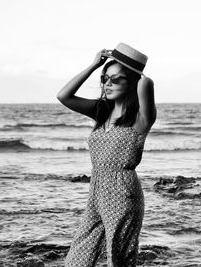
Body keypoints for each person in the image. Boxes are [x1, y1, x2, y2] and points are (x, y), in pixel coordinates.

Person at [57, 42, 156, 267]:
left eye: (116, 79)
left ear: (131, 82)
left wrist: (129, 62)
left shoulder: (141, 119)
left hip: (123, 192)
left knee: (119, 260)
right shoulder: (101, 112)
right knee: (77, 259)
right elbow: (64, 96)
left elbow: (145, 82)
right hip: (96, 189)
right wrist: (94, 65)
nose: (107, 84)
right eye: (105, 78)